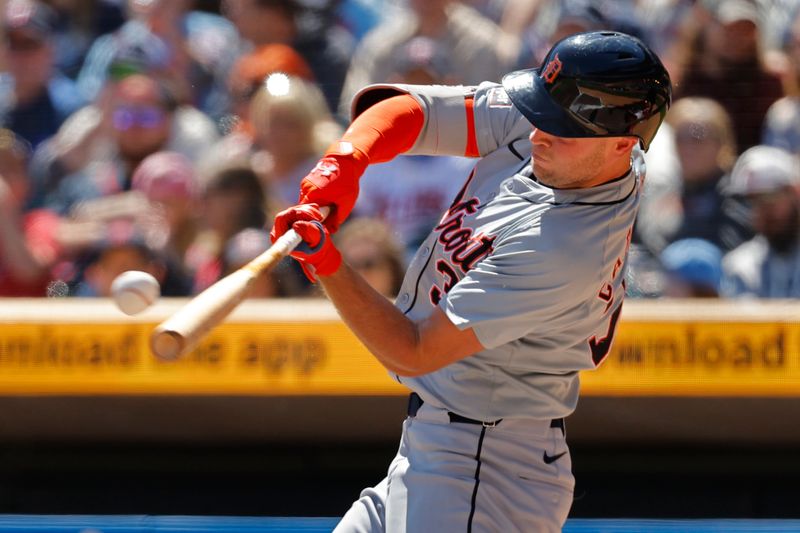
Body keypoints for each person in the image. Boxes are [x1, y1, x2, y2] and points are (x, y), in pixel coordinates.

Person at [270, 31, 672, 531]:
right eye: (542, 113)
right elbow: (407, 110)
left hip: (484, 464)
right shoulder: (577, 142)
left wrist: (327, 264)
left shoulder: (564, 246)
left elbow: (412, 349)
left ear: (622, 143)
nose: (537, 133)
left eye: (560, 127)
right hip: (443, 446)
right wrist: (344, 163)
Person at [721, 145, 800, 298]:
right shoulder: (739, 266)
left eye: (769, 198)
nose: (761, 211)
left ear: (795, 192)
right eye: (751, 202)